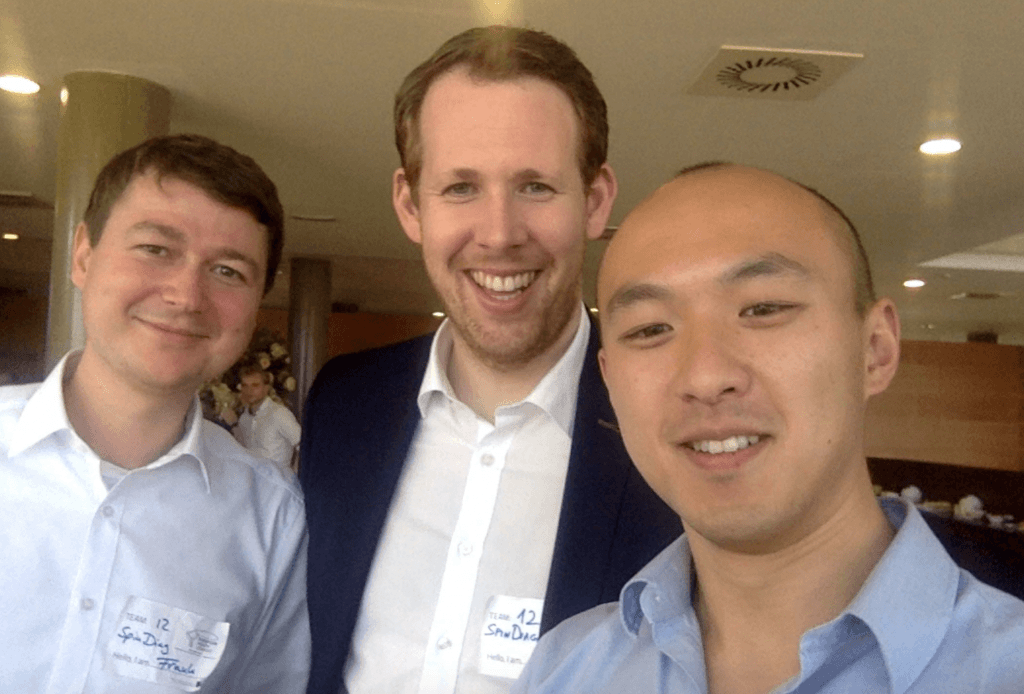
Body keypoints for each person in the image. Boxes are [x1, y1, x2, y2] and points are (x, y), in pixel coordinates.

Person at [513, 163, 1024, 693]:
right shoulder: (564, 670)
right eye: (649, 329)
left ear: (874, 350)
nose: (705, 377)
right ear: (610, 384)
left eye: (763, 308)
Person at [300, 26, 680, 694]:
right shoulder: (345, 400)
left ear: (595, 201)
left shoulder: (671, 423)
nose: (500, 234)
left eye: (535, 186)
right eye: (460, 188)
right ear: (410, 205)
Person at [0, 134, 310, 692]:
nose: (186, 296)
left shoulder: (272, 519)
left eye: (228, 271)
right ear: (83, 255)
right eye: (155, 249)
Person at [232, 363, 301, 471]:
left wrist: (294, 475)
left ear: (266, 388)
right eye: (245, 385)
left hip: (279, 479)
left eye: (255, 385)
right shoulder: (244, 418)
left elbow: (304, 447)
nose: (249, 391)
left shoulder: (279, 413)